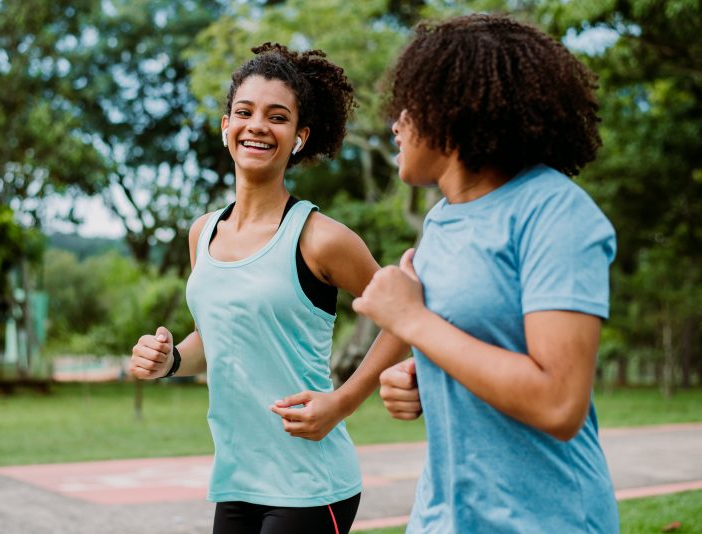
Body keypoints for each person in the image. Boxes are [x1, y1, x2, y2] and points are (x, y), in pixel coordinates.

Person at [352, 14, 620, 533]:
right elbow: (476, 341)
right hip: (444, 518)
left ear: (453, 107)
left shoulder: (556, 212)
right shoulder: (442, 219)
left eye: (410, 106)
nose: (396, 124)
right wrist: (423, 379)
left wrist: (414, 324)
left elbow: (559, 402)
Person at [130, 43, 409, 534]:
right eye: (245, 112)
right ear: (225, 127)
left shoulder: (321, 238)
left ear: (299, 137)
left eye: (277, 117)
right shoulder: (203, 232)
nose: (257, 125)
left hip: (310, 481)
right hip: (238, 480)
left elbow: (405, 319)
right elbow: (214, 340)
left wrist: (341, 402)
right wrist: (170, 360)